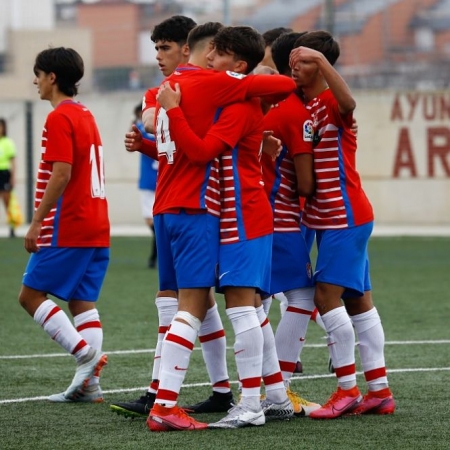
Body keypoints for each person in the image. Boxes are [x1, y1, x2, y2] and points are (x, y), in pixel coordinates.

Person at [138, 24, 295, 431]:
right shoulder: (215, 93)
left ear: (238, 67)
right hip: (220, 214)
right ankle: (266, 397)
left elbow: (204, 149)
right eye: (210, 53)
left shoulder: (231, 100)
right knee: (240, 308)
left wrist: (165, 112)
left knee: (242, 307)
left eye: (219, 55)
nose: (210, 60)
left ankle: (251, 402)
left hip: (241, 216)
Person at [111, 21, 235, 420]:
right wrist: (149, 137)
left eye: (164, 48)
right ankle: (212, 393)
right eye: (155, 48)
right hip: (175, 206)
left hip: (208, 207)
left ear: (188, 48)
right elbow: (155, 127)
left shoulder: (212, 85)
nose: (158, 56)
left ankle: (264, 393)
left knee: (246, 305)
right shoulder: (166, 91)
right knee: (189, 303)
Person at [290, 31, 395, 418]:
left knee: (324, 298)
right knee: (358, 302)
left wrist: (321, 60)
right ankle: (379, 392)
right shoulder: (308, 105)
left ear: (319, 63)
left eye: (301, 62)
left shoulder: (333, 101)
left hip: (344, 218)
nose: (294, 69)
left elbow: (350, 103)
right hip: (329, 220)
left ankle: (347, 389)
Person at [18, 47, 109, 403]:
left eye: (38, 74)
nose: (35, 82)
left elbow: (62, 173)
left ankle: (84, 354)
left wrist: (37, 222)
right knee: (82, 301)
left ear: (52, 77)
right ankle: (90, 386)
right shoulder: (85, 114)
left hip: (68, 223)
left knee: (29, 296)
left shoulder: (59, 117)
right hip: (97, 223)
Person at [259, 30, 322, 417]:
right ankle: (275, 390)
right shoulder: (292, 109)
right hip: (279, 214)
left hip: (253, 212)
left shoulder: (261, 103)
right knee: (301, 296)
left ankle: (256, 390)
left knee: (255, 300)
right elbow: (306, 181)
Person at [132, 104, 158, 268]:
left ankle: (157, 247)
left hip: (149, 180)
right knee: (155, 219)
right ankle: (158, 246)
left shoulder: (142, 129)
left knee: (150, 219)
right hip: (161, 179)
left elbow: (134, 137)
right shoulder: (164, 128)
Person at [0, 118, 17, 238]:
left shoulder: (8, 142)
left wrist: (13, 177)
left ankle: (12, 226)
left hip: (4, 173)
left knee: (7, 201)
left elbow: (13, 161)